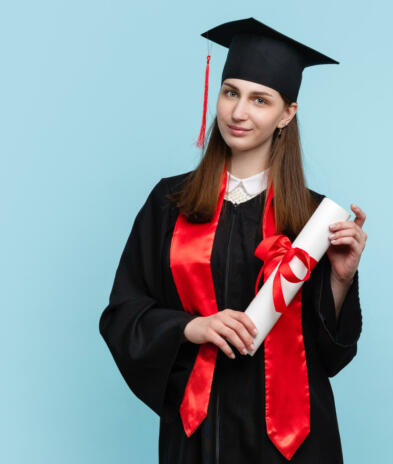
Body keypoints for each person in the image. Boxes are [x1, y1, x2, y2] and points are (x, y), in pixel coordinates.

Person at [99, 17, 367, 463]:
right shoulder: (170, 202)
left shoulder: (314, 222)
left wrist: (340, 281)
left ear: (287, 114)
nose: (239, 113)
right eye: (231, 92)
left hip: (293, 443)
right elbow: (123, 313)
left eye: (260, 100)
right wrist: (191, 327)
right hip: (198, 434)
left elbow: (329, 358)